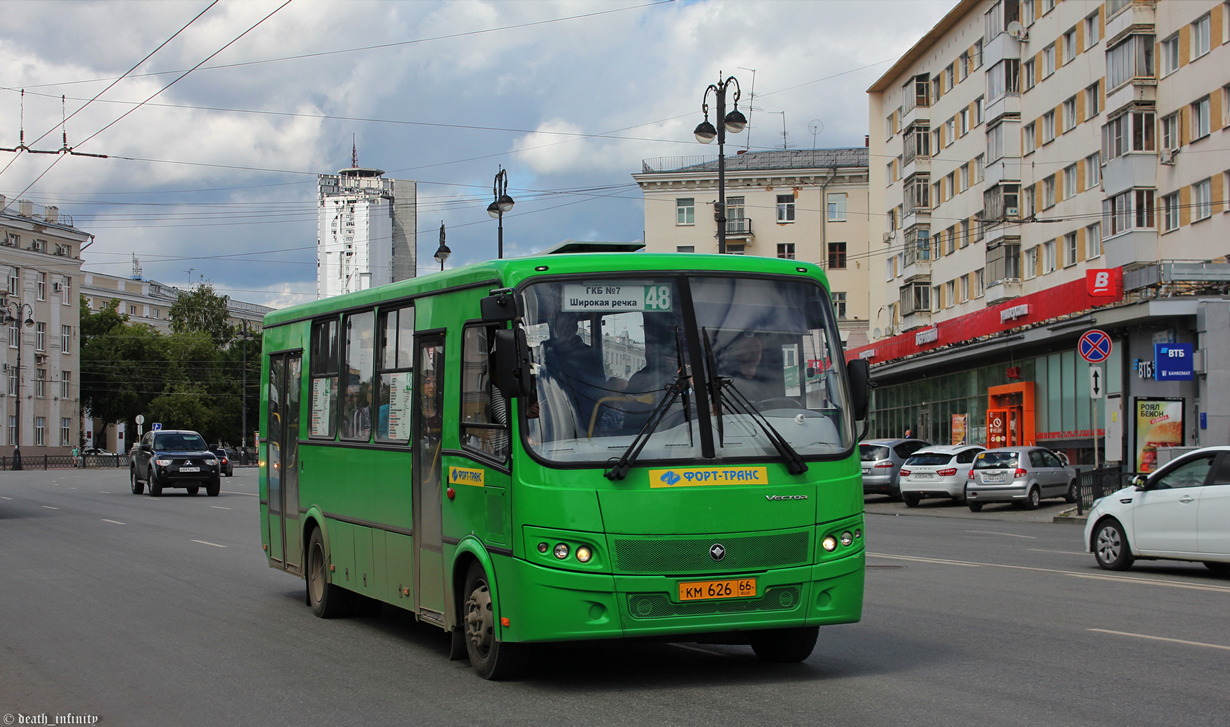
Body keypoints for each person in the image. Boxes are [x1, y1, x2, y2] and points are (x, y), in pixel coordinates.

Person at [718, 335, 777, 404]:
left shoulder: (767, 379)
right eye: (748, 347)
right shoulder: (728, 379)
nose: (754, 351)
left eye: (757, 347)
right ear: (738, 353)